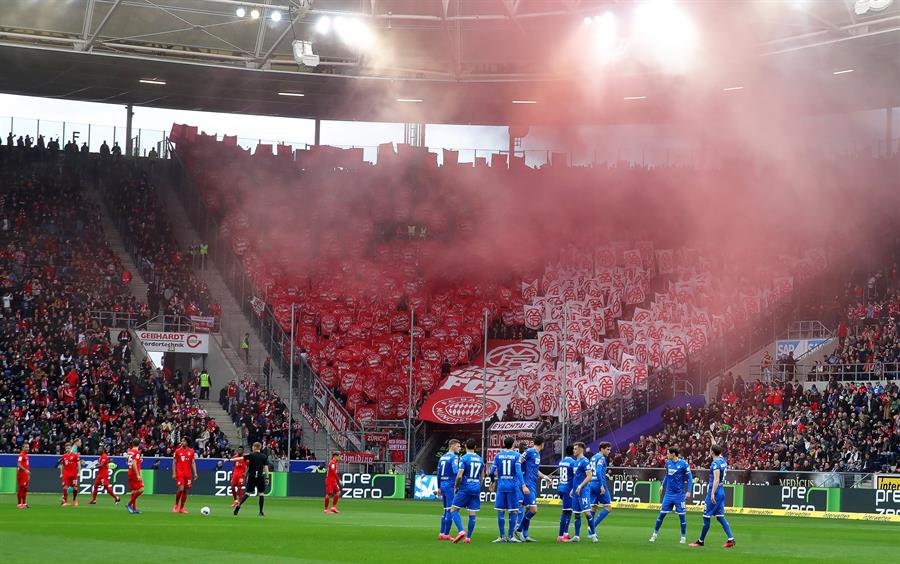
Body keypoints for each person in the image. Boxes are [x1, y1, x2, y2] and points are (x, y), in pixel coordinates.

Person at [690, 441, 735, 548]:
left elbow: (715, 479)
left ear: (712, 452)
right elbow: (715, 447)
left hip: (714, 491)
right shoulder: (722, 460)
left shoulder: (715, 464)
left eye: (710, 450)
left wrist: (712, 494)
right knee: (720, 517)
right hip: (721, 491)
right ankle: (731, 539)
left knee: (706, 517)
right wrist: (711, 438)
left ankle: (700, 541)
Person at [650, 446, 692, 544]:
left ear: (673, 454)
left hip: (680, 495)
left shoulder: (684, 464)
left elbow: (690, 478)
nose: (667, 455)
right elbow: (667, 475)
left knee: (682, 517)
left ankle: (683, 537)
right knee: (661, 515)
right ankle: (654, 535)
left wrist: (689, 491)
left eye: (668, 453)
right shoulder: (668, 463)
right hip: (668, 494)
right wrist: (662, 485)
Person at [488, 436, 527, 543]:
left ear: (504, 444)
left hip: (501, 486)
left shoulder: (498, 455)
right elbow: (518, 471)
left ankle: (501, 536)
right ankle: (510, 536)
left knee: (500, 511)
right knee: (514, 511)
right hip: (513, 486)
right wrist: (523, 484)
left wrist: (492, 481)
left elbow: (492, 472)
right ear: (513, 445)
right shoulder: (516, 455)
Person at [516, 436, 551, 541]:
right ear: (542, 444)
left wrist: (545, 477)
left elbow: (535, 470)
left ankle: (525, 535)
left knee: (528, 509)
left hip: (533, 483)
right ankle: (519, 529)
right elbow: (518, 462)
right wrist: (523, 484)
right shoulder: (530, 451)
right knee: (533, 509)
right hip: (527, 484)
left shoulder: (537, 454)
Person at [449, 438, 484, 544]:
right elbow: (482, 476)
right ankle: (468, 537)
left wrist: (456, 487)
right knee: (472, 513)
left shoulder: (464, 458)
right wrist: (479, 486)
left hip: (465, 487)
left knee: (453, 509)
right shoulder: (480, 459)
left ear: (465, 447)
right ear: (475, 447)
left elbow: (459, 476)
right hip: (476, 487)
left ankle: (461, 531)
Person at [234, 441, 270, 517]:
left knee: (247, 493)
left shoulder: (251, 455)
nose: (252, 448)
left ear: (255, 447)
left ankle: (239, 505)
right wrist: (267, 477)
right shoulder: (263, 456)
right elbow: (266, 467)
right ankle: (261, 512)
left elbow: (241, 458)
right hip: (260, 477)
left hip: (252, 476)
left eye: (253, 447)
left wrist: (230, 460)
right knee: (261, 493)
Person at [568, 441, 594, 543]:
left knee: (587, 513)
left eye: (575, 448)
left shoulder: (585, 461)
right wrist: (573, 489)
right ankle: (576, 536)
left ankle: (594, 535)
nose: (573, 450)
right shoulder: (575, 462)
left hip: (583, 491)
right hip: (576, 491)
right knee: (577, 514)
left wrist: (580, 486)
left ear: (581, 449)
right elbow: (576, 477)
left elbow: (589, 476)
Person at [437, 439, 461, 540]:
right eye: (458, 446)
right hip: (450, 485)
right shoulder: (453, 457)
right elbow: (456, 471)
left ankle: (442, 533)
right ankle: (446, 534)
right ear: (452, 446)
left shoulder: (442, 457)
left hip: (443, 484)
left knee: (446, 510)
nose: (460, 448)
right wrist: (457, 485)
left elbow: (438, 474)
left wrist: (438, 487)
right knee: (451, 510)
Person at [589, 441, 613, 540]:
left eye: (609, 449)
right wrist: (602, 485)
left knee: (593, 507)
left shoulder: (592, 457)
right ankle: (592, 528)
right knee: (608, 507)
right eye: (607, 449)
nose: (609, 451)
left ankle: (591, 531)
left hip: (591, 483)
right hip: (599, 484)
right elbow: (599, 471)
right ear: (602, 449)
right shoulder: (602, 458)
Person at [173, 437, 198, 514]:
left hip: (188, 474)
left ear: (187, 442)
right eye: (182, 441)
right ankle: (176, 504)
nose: (182, 442)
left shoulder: (191, 451)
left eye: (183, 441)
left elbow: (193, 462)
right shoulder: (177, 451)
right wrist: (174, 473)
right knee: (180, 489)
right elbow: (174, 462)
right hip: (179, 473)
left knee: (185, 491)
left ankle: (182, 508)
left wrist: (195, 473)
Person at [556, 445, 575, 542]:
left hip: (561, 487)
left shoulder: (561, 461)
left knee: (569, 510)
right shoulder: (573, 463)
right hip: (568, 489)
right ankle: (560, 536)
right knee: (566, 511)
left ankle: (565, 533)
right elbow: (575, 476)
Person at [126, 438, 145, 514]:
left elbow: (127, 462)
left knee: (134, 491)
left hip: (130, 472)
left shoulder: (129, 452)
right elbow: (134, 462)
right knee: (141, 489)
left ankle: (134, 509)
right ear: (139, 444)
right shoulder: (137, 452)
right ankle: (129, 504)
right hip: (134, 473)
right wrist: (137, 474)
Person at [16, 444, 30, 509]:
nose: (27, 448)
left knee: (25, 489)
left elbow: (26, 465)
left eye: (28, 447)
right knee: (21, 488)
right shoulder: (21, 455)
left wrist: (28, 474)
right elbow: (18, 464)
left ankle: (24, 503)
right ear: (22, 448)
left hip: (25, 474)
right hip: (21, 474)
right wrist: (25, 470)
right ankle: (19, 504)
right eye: (26, 447)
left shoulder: (26, 455)